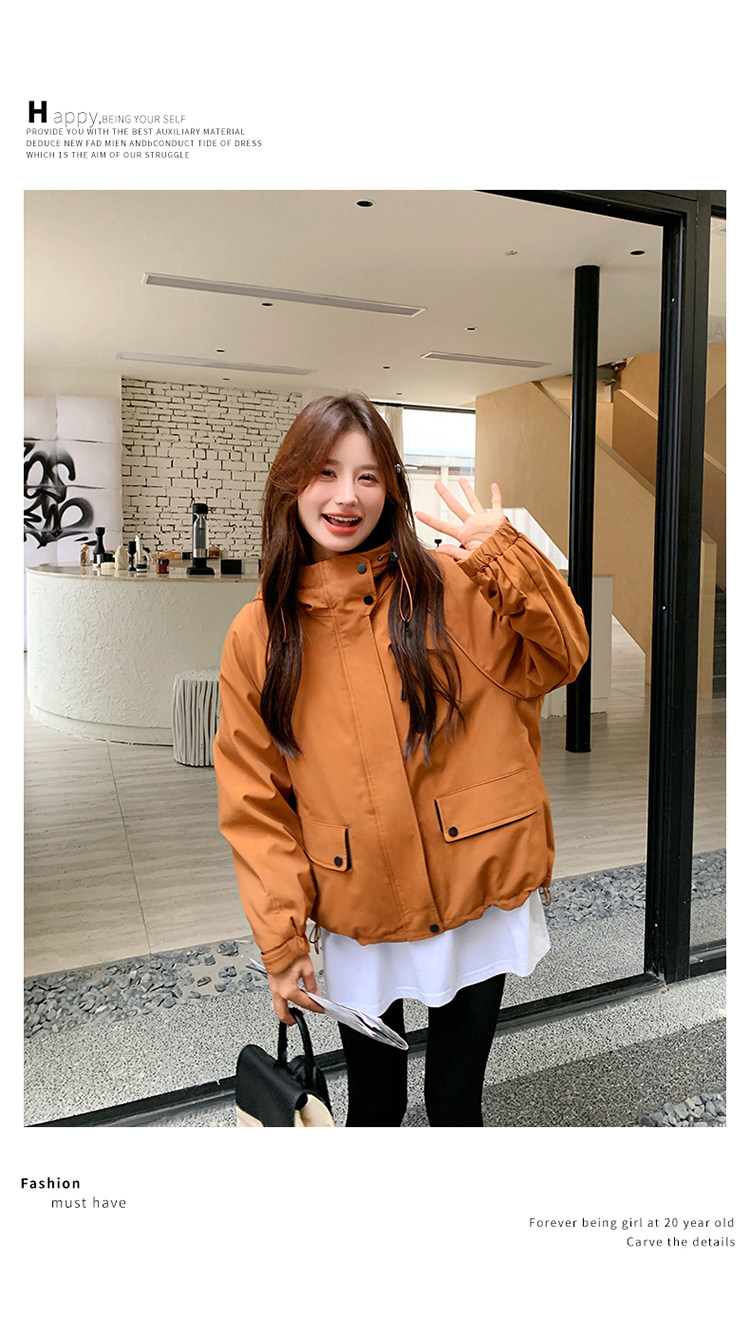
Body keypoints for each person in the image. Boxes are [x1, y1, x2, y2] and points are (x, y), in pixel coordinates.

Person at [214, 393, 589, 1126]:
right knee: (374, 1107)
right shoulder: (259, 634)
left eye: (367, 476)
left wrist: (505, 552)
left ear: (391, 488)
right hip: (358, 904)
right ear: (291, 484)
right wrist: (281, 940)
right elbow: (255, 801)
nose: (346, 497)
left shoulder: (453, 584)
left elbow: (563, 654)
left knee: (455, 1103)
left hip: (476, 884)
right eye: (326, 473)